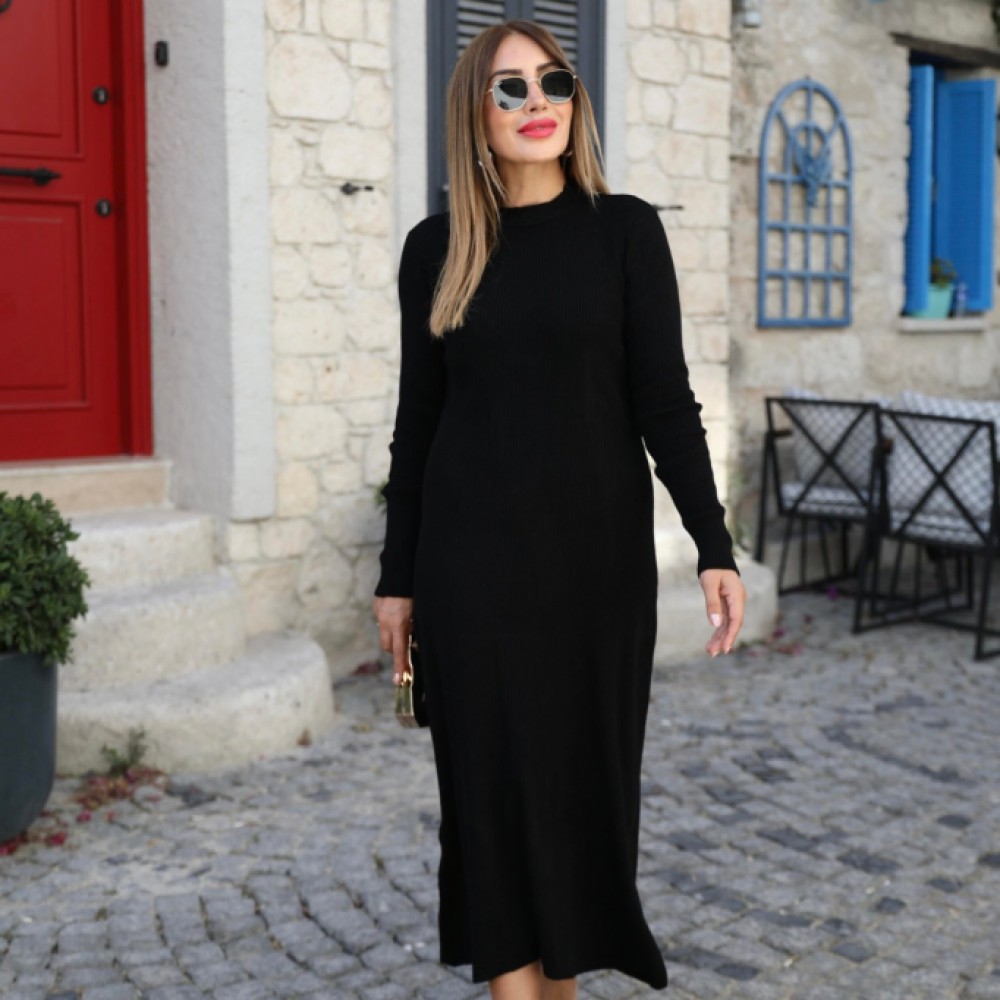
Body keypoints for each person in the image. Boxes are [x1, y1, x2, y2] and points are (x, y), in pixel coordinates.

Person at [372, 19, 746, 1000]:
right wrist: (396, 579)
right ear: (475, 114)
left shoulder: (624, 232)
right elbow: (417, 425)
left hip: (595, 578)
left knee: (583, 810)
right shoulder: (435, 250)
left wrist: (713, 545)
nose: (536, 102)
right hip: (471, 577)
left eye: (554, 81)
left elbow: (664, 401)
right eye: (510, 88)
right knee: (491, 809)